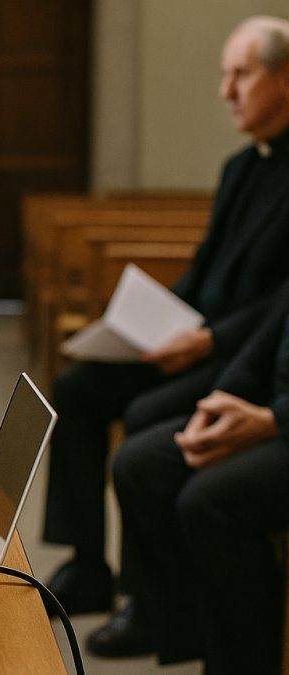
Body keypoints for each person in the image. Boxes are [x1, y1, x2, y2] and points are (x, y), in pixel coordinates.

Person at [40, 13, 289, 646]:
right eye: (224, 75)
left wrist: (209, 341)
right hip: (197, 340)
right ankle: (87, 566)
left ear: (285, 79)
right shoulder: (241, 167)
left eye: (241, 75)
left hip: (236, 353)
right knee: (76, 388)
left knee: (147, 418)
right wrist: (147, 323)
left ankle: (153, 600)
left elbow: (279, 306)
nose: (226, 91)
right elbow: (204, 270)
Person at [109, 277, 289, 673]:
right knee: (140, 464)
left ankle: (247, 663)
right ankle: (191, 637)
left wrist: (273, 420)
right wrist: (218, 402)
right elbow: (271, 329)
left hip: (281, 419)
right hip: (273, 408)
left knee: (211, 500)